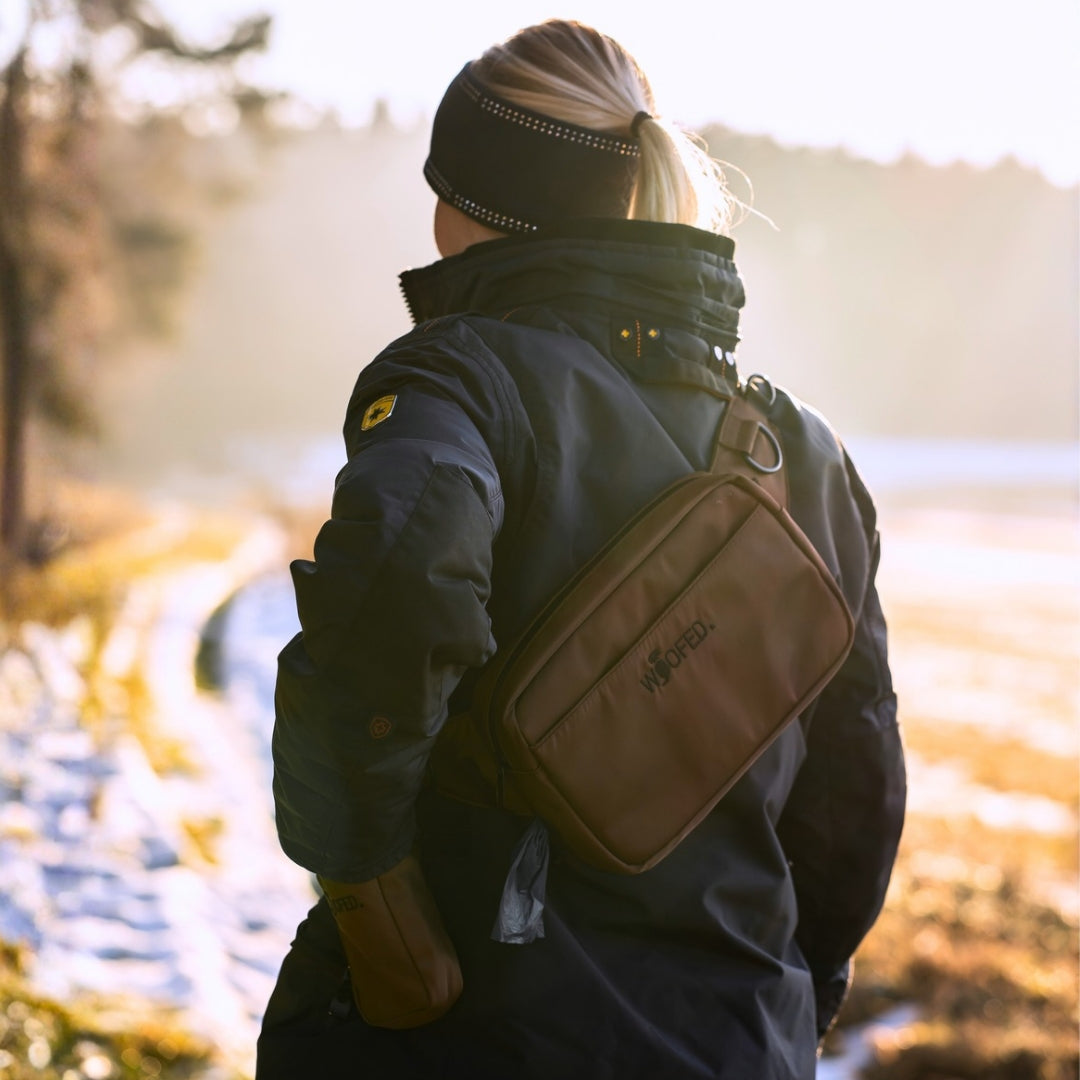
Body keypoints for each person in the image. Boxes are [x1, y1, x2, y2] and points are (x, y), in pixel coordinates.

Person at [257, 19, 905, 1080]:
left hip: (476, 1040)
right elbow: (855, 789)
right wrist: (789, 992)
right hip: (741, 1045)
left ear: (477, 207)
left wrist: (375, 906)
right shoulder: (805, 454)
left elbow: (393, 596)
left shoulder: (457, 384)